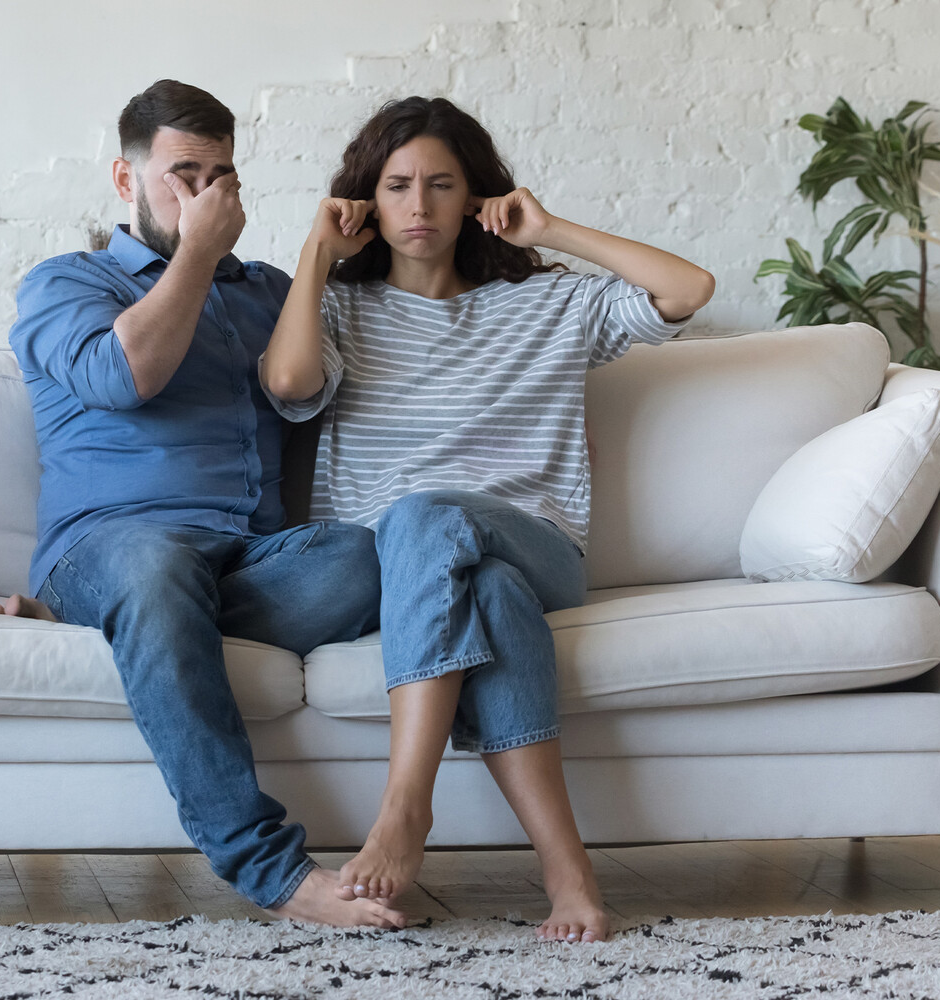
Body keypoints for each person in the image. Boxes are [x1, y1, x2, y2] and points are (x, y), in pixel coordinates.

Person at [259, 96, 714, 944]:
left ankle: (406, 805)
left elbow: (689, 289)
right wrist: (317, 252)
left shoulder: (549, 303)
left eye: (441, 185)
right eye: (397, 187)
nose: (419, 206)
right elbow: (288, 384)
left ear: (475, 197)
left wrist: (550, 229)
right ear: (366, 201)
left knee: (427, 515)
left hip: (541, 545)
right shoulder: (341, 310)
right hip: (408, 569)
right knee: (492, 594)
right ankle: (568, 873)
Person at [3, 79, 405, 930]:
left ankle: (132, 627)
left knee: (375, 555)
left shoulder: (265, 293)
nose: (206, 196)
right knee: (154, 570)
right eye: (183, 176)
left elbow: (311, 397)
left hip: (249, 560)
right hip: (112, 545)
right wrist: (195, 252)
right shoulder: (65, 284)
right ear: (125, 179)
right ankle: (272, 870)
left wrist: (324, 256)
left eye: (221, 178)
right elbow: (126, 376)